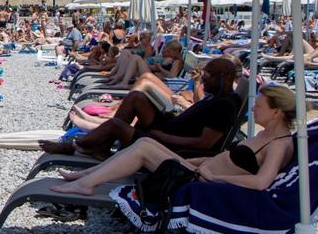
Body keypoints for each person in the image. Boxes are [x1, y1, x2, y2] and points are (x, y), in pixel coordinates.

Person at [51, 84, 297, 195]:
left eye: (260, 105)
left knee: (143, 148)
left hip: (203, 182)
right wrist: (196, 163)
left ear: (276, 111)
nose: (253, 109)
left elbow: (261, 182)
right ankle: (87, 176)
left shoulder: (278, 144)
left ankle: (86, 181)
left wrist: (215, 177)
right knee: (144, 143)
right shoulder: (265, 135)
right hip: (196, 169)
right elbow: (229, 159)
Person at [41, 57, 241, 160]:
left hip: (168, 145)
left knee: (117, 125)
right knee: (137, 97)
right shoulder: (216, 97)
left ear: (225, 78)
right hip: (169, 126)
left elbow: (204, 144)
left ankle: (75, 145)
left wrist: (163, 137)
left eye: (208, 76)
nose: (203, 79)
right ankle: (100, 146)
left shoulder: (224, 106)